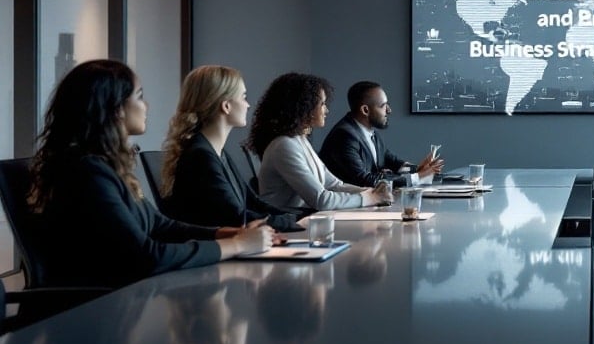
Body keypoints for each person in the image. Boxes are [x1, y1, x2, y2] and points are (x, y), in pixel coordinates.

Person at [26, 60, 272, 289]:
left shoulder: (104, 167)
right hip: (93, 312)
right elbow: (147, 256)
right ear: (116, 108)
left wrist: (227, 234)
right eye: (140, 97)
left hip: (123, 301)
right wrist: (237, 245)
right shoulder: (88, 173)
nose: (147, 106)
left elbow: (160, 225)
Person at [160, 65, 303, 232]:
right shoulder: (201, 156)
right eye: (243, 97)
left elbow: (253, 202)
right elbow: (237, 217)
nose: (248, 105)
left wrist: (296, 219)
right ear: (226, 106)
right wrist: (294, 224)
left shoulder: (217, 153)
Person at [249, 73, 393, 213]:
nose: (327, 110)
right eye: (322, 104)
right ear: (304, 107)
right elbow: (322, 200)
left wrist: (371, 192)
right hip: (288, 228)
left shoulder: (299, 140)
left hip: (303, 221)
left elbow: (334, 185)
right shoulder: (284, 146)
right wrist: (370, 198)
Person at [320, 81, 443, 188]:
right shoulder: (345, 136)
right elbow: (366, 181)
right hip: (345, 210)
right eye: (383, 105)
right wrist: (418, 176)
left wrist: (418, 168)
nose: (389, 110)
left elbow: (393, 162)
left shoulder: (370, 132)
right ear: (365, 110)